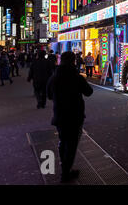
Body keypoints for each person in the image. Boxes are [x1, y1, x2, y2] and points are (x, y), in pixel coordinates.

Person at [47, 51, 93, 183]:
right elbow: (89, 92)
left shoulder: (54, 77)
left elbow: (49, 95)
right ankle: (66, 173)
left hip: (60, 116)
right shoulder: (77, 77)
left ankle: (65, 169)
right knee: (71, 145)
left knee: (63, 142)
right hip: (75, 116)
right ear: (73, 61)